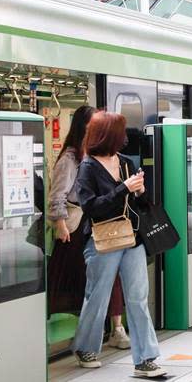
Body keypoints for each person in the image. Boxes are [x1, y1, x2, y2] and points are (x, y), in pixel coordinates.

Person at [72, 111, 165, 378]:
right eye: (120, 132)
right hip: (102, 240)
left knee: (137, 299)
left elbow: (141, 205)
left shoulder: (125, 162)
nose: (125, 136)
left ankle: (145, 358)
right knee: (97, 296)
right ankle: (86, 347)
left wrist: (140, 192)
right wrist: (124, 188)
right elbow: (91, 207)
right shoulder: (87, 167)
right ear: (109, 135)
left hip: (132, 238)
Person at [47, 106, 131, 350]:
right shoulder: (70, 159)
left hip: (100, 225)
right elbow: (57, 196)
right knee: (79, 284)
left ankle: (115, 328)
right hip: (74, 230)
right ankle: (84, 335)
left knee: (109, 277)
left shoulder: (98, 156)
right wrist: (61, 226)